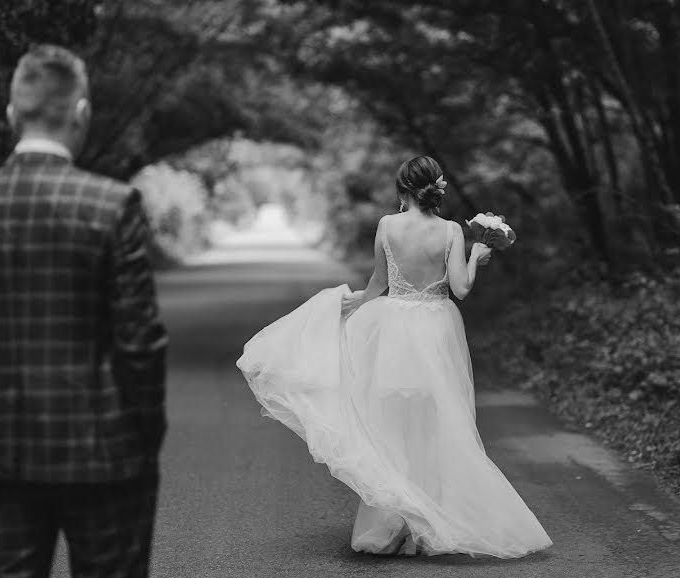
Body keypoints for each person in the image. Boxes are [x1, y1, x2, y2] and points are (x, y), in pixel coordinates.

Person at [0, 45, 167, 578]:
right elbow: (140, 344)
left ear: (11, 116)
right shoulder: (112, 204)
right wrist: (142, 440)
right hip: (107, 457)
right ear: (81, 112)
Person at [237, 155, 552, 557]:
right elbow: (461, 288)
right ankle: (432, 520)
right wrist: (475, 257)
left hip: (392, 331)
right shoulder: (452, 231)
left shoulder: (387, 226)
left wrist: (347, 308)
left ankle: (392, 525)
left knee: (390, 427)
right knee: (436, 425)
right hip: (437, 330)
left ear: (403, 190)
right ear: (436, 190)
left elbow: (378, 285)